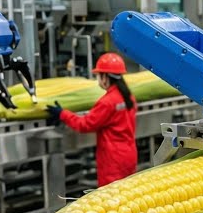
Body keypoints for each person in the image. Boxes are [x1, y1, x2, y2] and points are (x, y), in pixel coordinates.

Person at [45, 53, 137, 187]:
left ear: (105, 77)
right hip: (129, 154)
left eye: (98, 75)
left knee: (110, 198)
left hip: (113, 159)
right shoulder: (129, 97)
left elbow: (85, 124)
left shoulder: (107, 102)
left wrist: (62, 114)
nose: (98, 79)